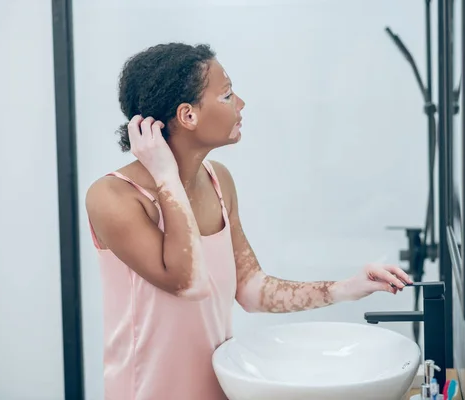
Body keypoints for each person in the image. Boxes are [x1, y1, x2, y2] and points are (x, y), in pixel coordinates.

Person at [85, 42, 413, 400]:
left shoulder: (217, 180)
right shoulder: (113, 197)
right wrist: (166, 175)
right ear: (187, 115)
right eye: (227, 96)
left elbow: (252, 289)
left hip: (219, 386)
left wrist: (346, 288)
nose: (240, 103)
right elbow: (190, 283)